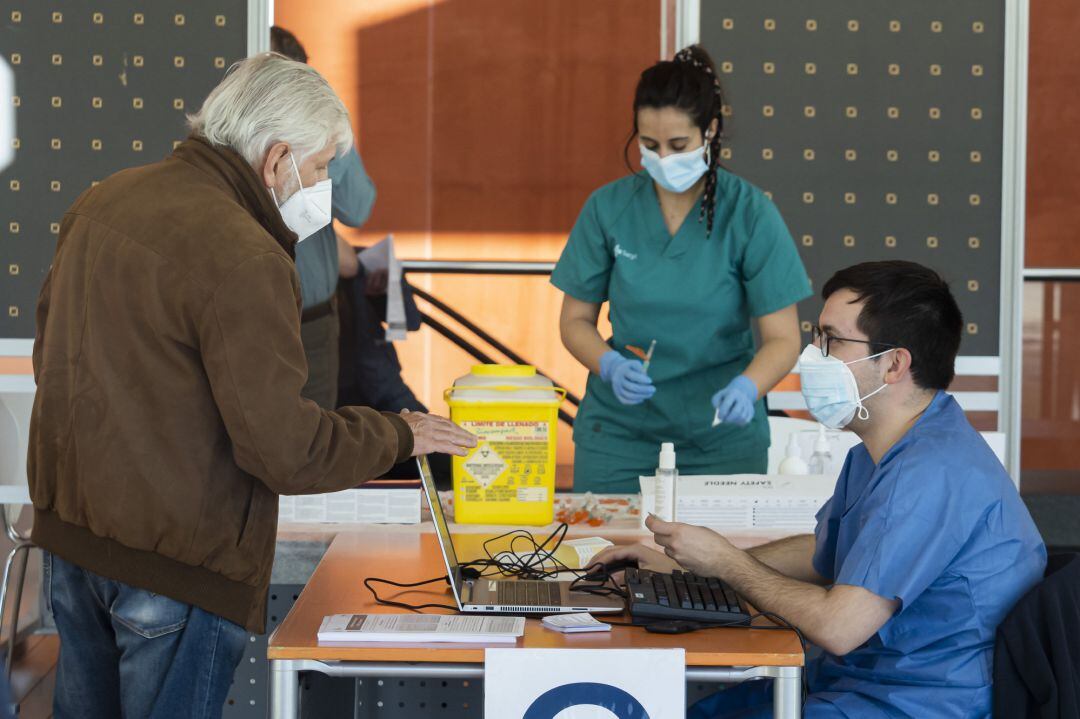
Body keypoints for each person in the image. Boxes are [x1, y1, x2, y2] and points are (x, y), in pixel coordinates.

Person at [28, 53, 476, 719]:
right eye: (320, 165)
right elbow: (284, 448)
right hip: (176, 568)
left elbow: (51, 360)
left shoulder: (102, 201)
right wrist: (397, 432)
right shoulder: (245, 252)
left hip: (72, 548)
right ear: (275, 161)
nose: (323, 184)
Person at [592, 261, 1046, 717]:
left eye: (831, 340)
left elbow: (838, 625)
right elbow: (826, 554)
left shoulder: (932, 473)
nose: (812, 354)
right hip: (855, 682)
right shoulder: (880, 451)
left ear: (893, 363)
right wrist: (687, 572)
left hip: (913, 703)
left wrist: (726, 564)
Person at [551, 45, 810, 493]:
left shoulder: (748, 213)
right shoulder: (609, 208)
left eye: (678, 145)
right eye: (649, 145)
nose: (663, 159)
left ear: (709, 130)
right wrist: (608, 364)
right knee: (604, 554)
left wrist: (748, 388)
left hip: (719, 438)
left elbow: (784, 339)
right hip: (618, 435)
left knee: (718, 562)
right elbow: (575, 321)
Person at [270, 25, 376, 409]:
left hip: (313, 320)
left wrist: (324, 126)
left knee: (317, 448)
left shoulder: (323, 132)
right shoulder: (243, 136)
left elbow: (357, 207)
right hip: (250, 317)